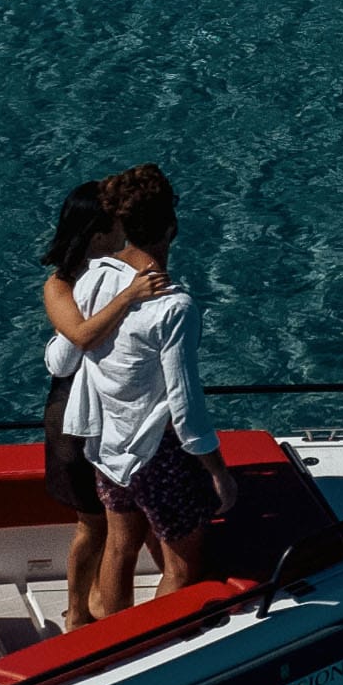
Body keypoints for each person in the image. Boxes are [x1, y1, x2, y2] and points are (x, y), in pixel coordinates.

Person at [61, 162, 232, 619]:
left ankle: (112, 642)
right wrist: (218, 471)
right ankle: (156, 648)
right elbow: (185, 401)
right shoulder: (174, 306)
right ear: (171, 228)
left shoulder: (95, 276)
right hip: (159, 452)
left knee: (121, 543)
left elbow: (66, 354)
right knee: (182, 563)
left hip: (108, 444)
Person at [36, 181, 163, 630]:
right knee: (92, 521)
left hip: (115, 410)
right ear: (97, 235)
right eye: (116, 226)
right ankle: (77, 613)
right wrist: (129, 298)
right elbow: (82, 338)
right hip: (74, 412)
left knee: (119, 519)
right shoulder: (60, 285)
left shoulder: (116, 274)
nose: (125, 232)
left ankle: (99, 603)